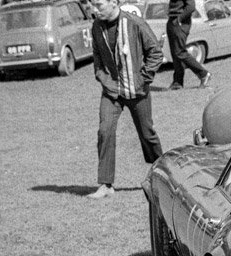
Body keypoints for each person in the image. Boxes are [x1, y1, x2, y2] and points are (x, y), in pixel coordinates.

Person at [88, 0, 163, 199]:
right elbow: (97, 56)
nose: (94, 10)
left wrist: (143, 79)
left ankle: (163, 176)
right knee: (105, 130)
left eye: (98, 5)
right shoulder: (96, 26)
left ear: (114, 3)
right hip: (111, 92)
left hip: (137, 91)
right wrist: (103, 78)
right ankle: (106, 184)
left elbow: (155, 52)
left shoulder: (135, 23)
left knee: (148, 134)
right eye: (92, 5)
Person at [167, 0, 211, 89]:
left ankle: (204, 74)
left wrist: (179, 19)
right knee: (175, 53)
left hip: (181, 22)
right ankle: (177, 82)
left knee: (180, 52)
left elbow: (191, 6)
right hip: (171, 20)